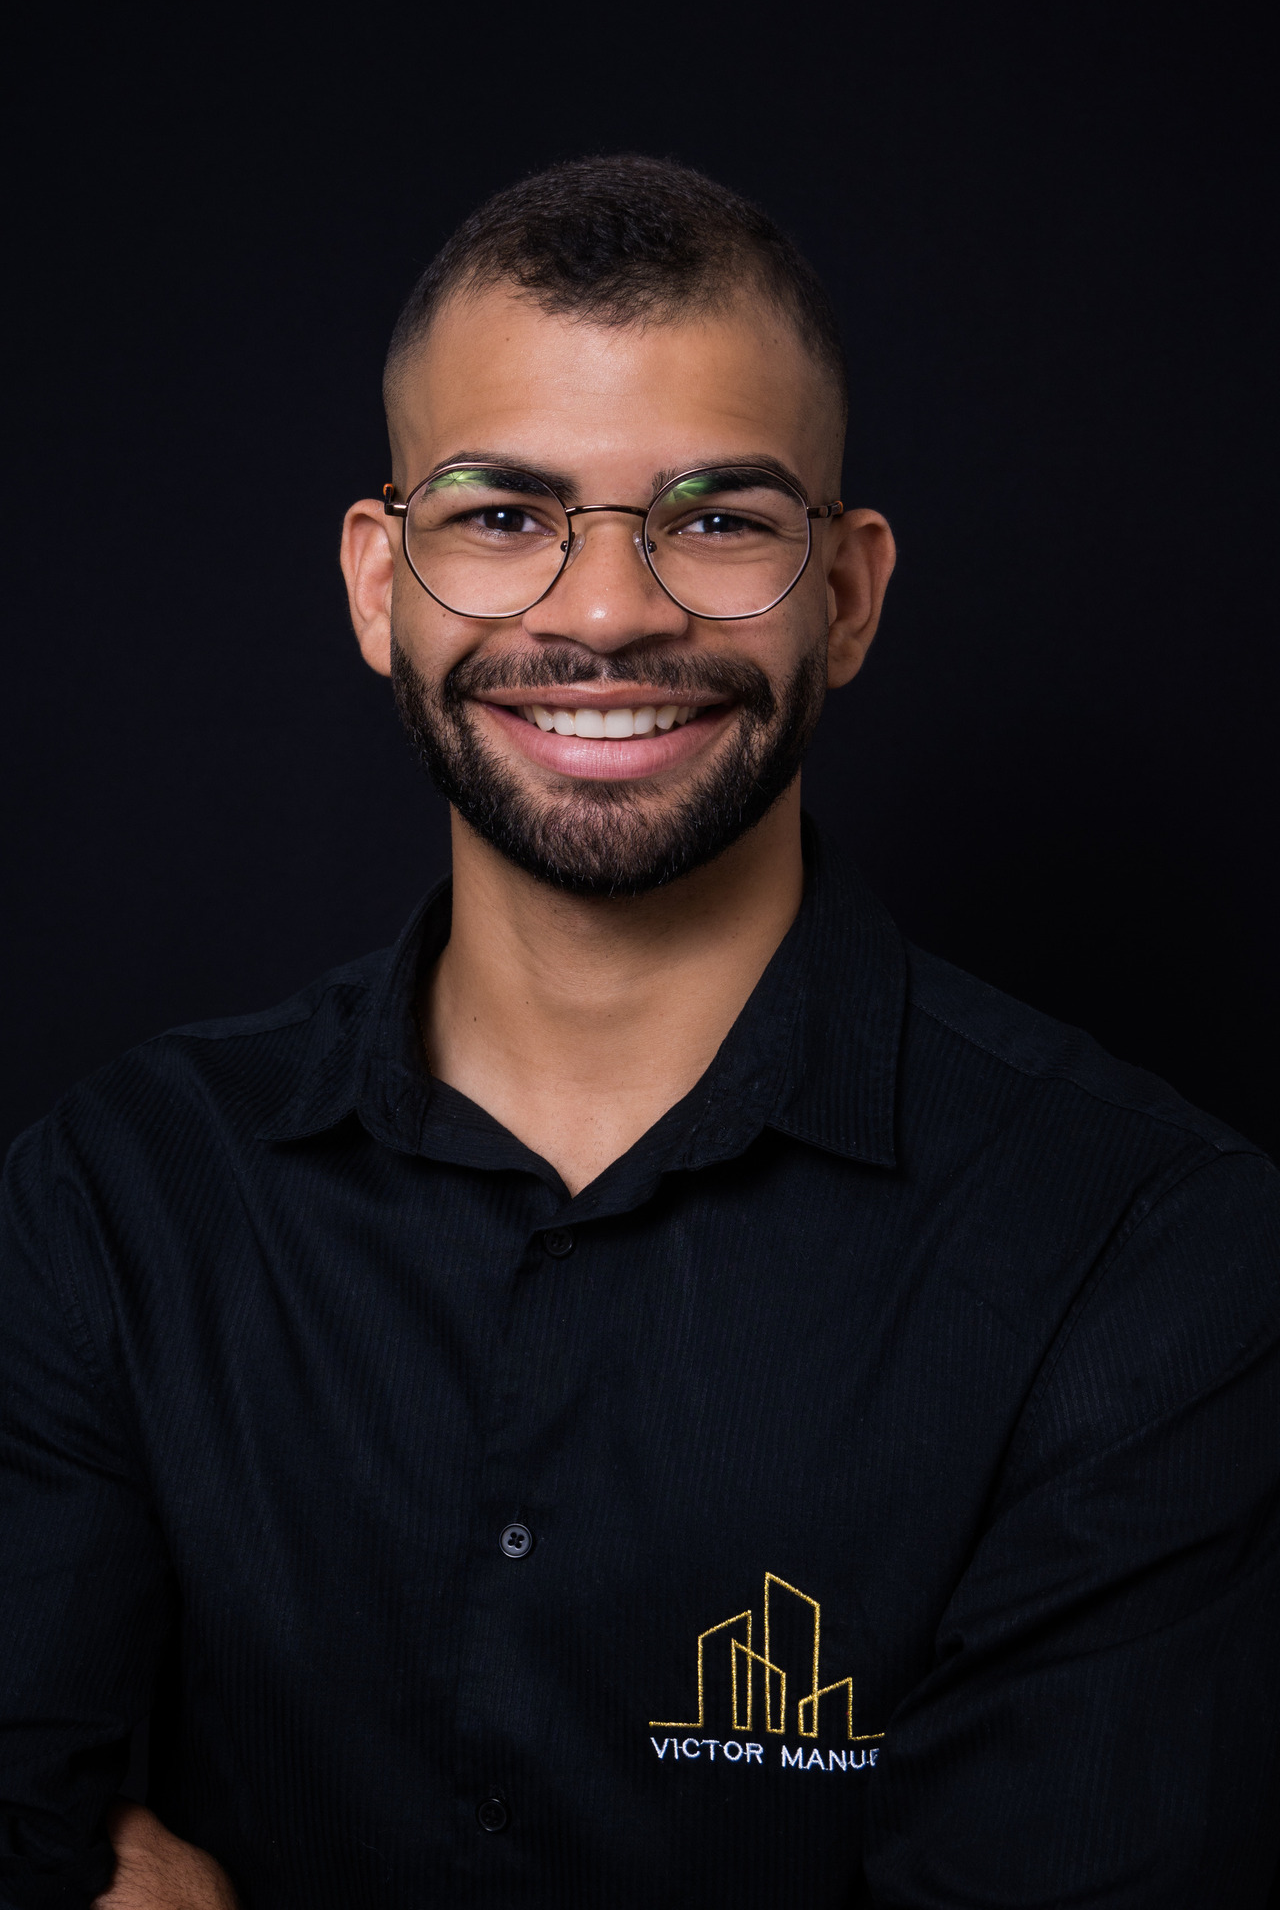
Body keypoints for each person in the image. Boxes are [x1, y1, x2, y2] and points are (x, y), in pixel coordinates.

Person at [2, 156, 1278, 1910]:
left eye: (720, 518)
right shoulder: (116, 1203)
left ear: (848, 591)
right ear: (383, 581)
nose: (605, 614)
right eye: (505, 516)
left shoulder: (1151, 1258)